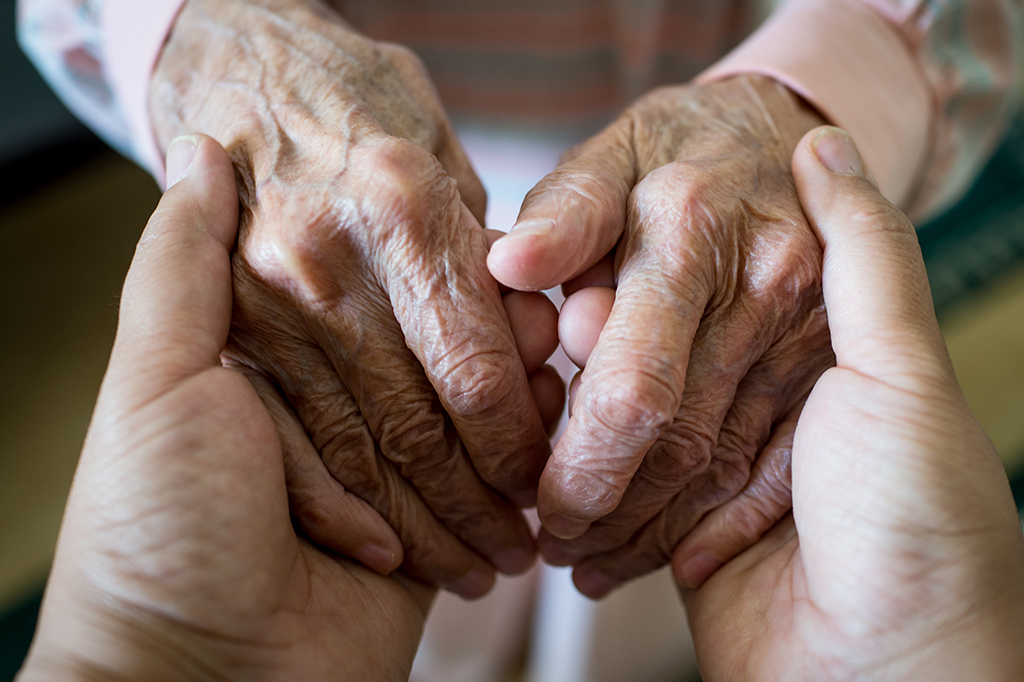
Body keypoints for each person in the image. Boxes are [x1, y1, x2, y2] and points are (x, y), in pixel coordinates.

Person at [18, 0, 1024, 594]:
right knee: (358, 510)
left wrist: (810, 96)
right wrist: (203, 35)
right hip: (298, 200)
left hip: (729, 137)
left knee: (666, 455)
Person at [16, 128, 1024, 681]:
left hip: (728, 213)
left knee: (664, 476)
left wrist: (150, 655)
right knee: (409, 492)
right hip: (330, 246)